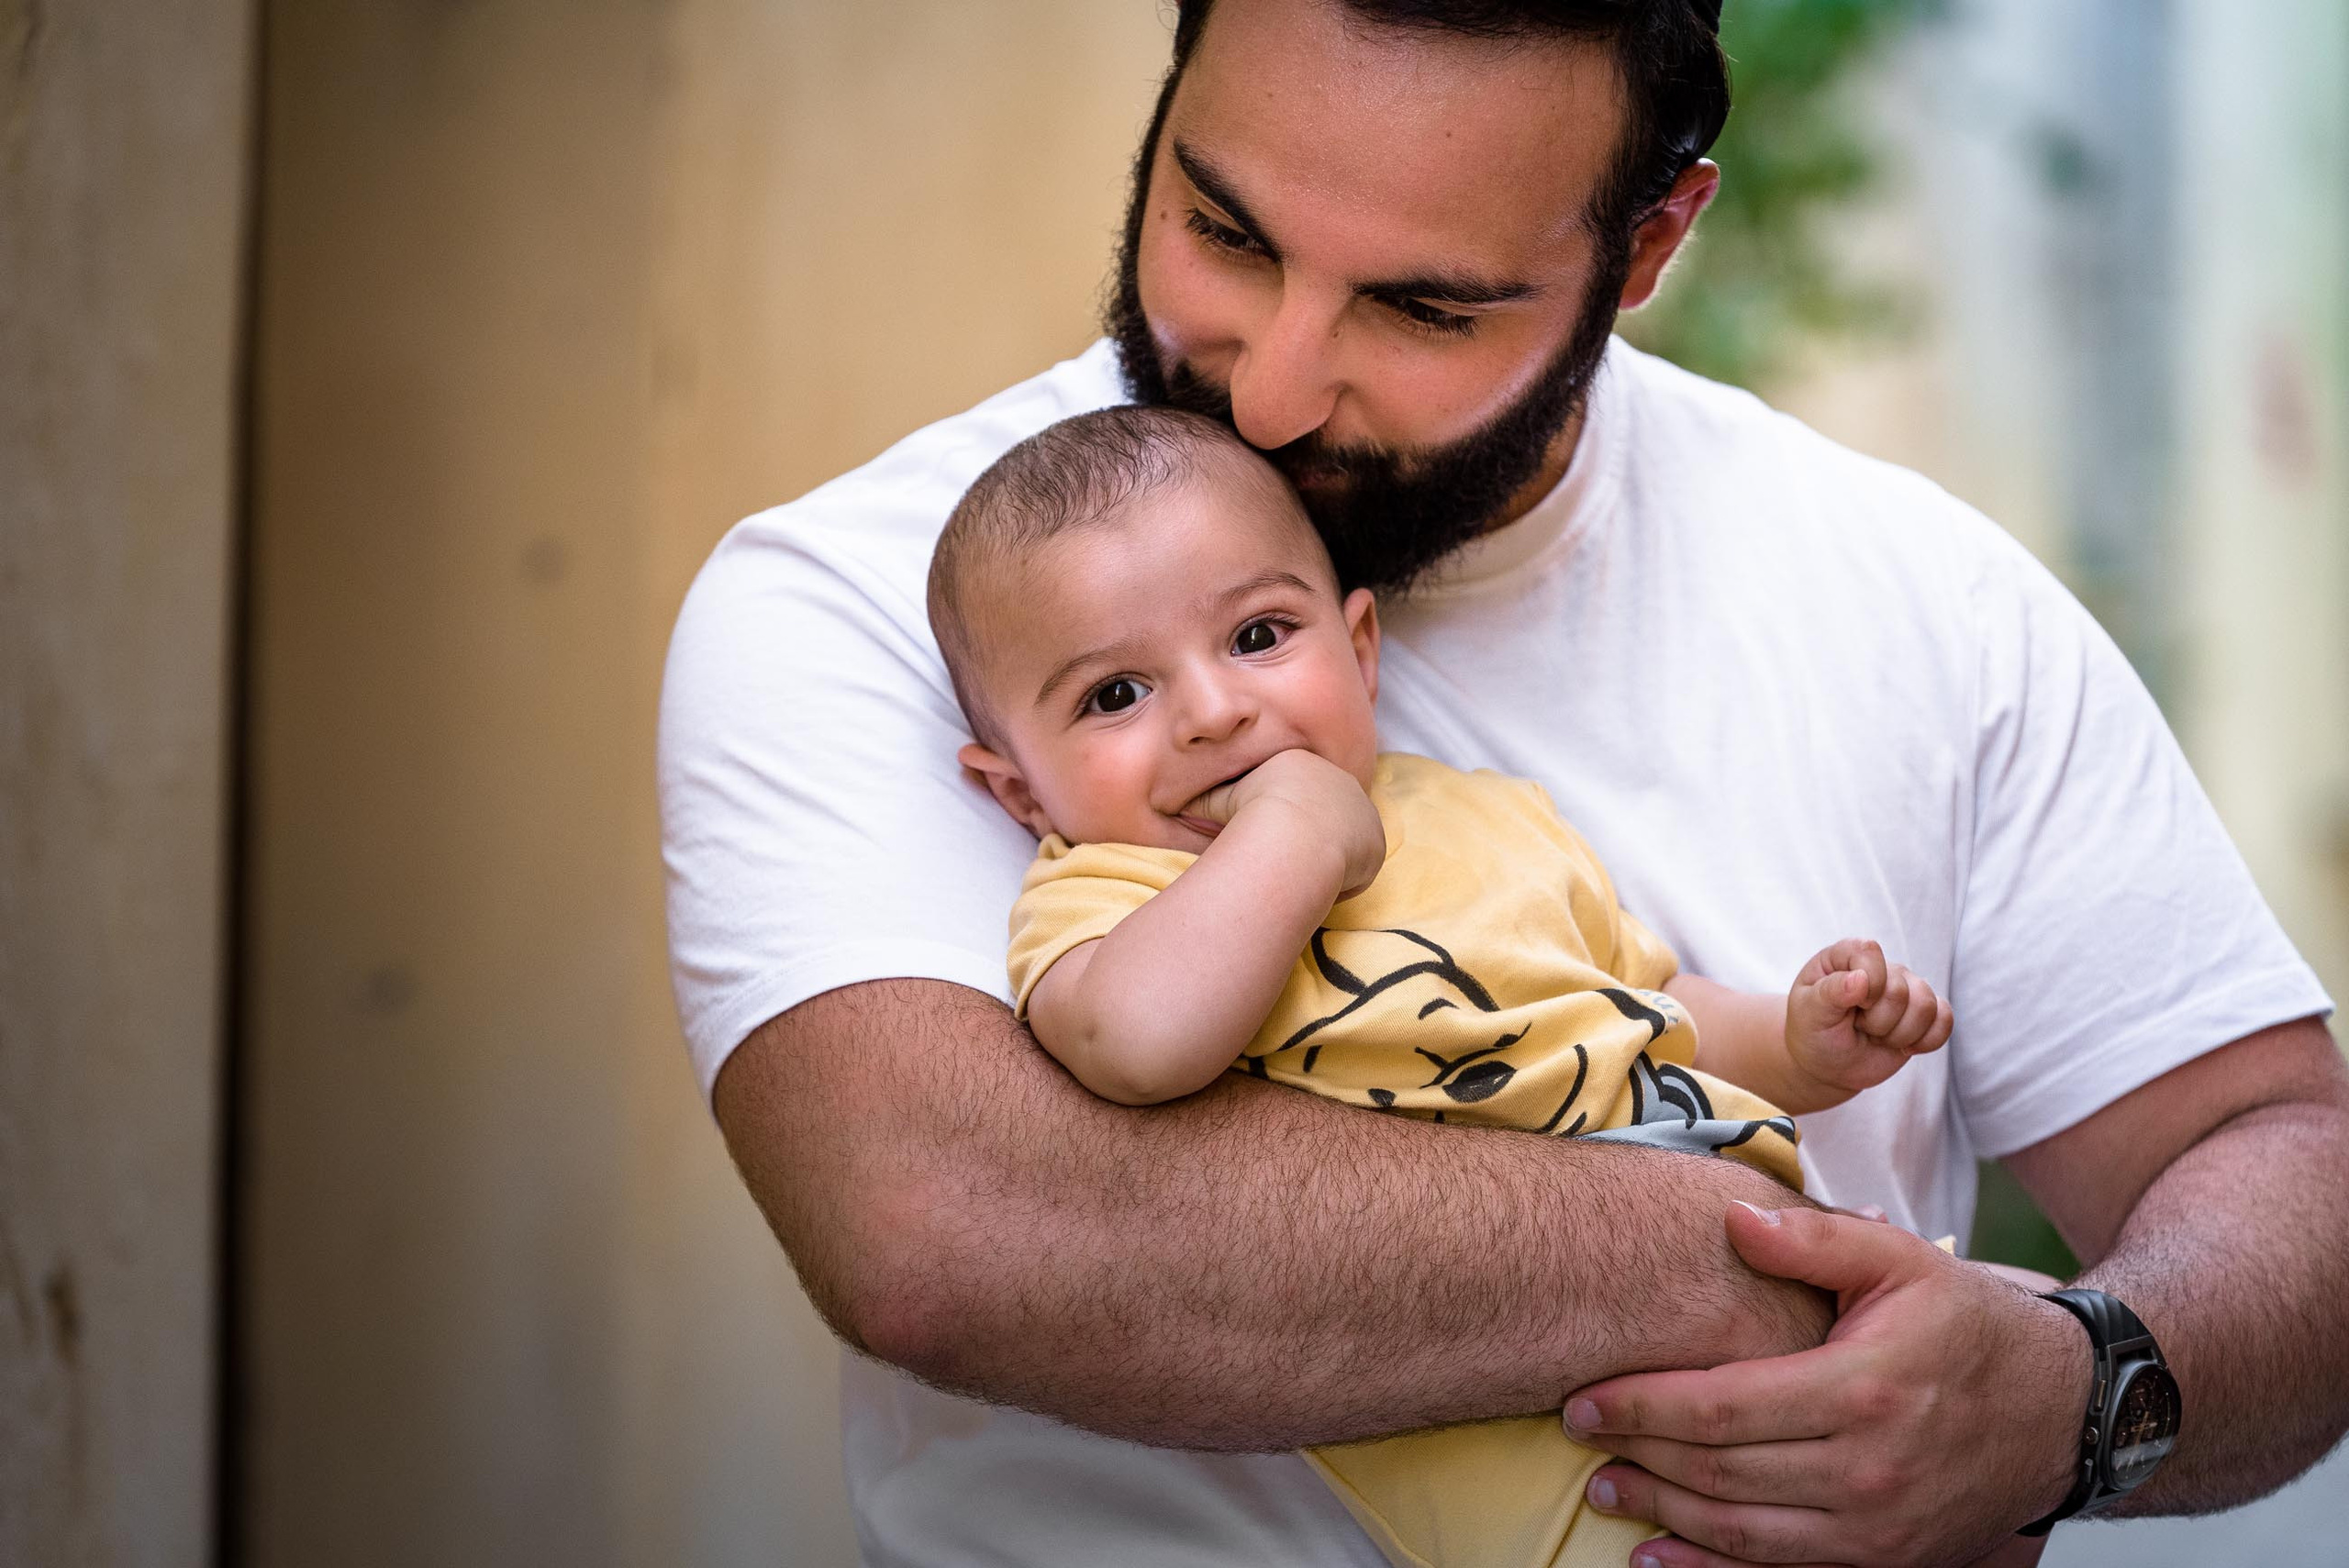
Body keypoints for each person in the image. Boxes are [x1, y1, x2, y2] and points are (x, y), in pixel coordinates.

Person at [657, 2, 2349, 1563]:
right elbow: (955, 1233)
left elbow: (2278, 1163)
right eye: (1225, 229)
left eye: (1424, 307)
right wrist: (1758, 1290)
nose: (1271, 388)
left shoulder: (1926, 602)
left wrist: (2067, 1389)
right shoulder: (880, 601)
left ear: (1650, 244)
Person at [927, 401, 1963, 1568]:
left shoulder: (1482, 811)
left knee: (1995, 1360)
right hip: (1568, 1456)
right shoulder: (1106, 892)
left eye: (1259, 634)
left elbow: (1652, 1012)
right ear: (1019, 792)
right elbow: (1136, 1041)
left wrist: (1797, 1043)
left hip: (1793, 1290)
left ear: (1360, 649)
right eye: (1115, 694)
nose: (1215, 712)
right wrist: (1297, 830)